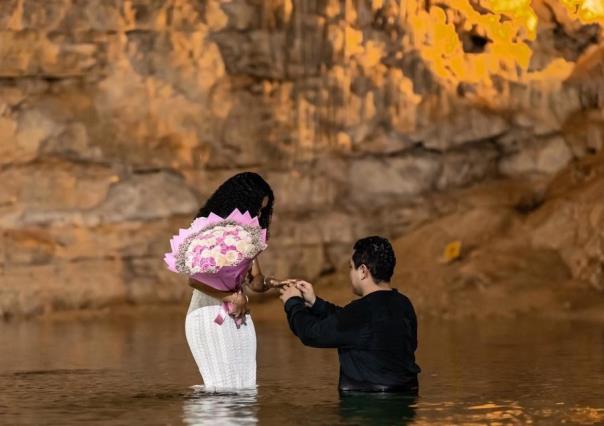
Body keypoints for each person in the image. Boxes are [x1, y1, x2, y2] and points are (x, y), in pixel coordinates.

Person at [279, 236, 421, 392]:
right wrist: (315, 303)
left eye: (350, 267)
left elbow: (310, 334)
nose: (350, 273)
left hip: (365, 407)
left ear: (363, 271)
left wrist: (293, 302)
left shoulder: (361, 312)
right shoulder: (404, 304)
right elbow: (354, 323)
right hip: (406, 401)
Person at [182, 172, 282, 390]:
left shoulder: (247, 236)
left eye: (262, 210)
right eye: (256, 207)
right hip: (209, 314)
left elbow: (254, 281)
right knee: (222, 387)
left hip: (238, 315)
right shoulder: (211, 231)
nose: (258, 214)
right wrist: (229, 296)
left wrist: (271, 284)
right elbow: (195, 279)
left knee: (246, 386)